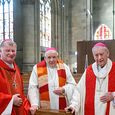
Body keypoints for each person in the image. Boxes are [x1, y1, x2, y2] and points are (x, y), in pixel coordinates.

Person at [65, 42, 115, 115]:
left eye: (101, 54)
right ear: (93, 56)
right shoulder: (89, 71)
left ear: (107, 54)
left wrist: (113, 95)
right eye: (96, 55)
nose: (99, 58)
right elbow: (79, 91)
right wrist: (73, 106)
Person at [28, 47, 77, 115]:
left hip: (61, 107)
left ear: (57, 57)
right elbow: (33, 87)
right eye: (49, 57)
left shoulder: (64, 67)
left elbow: (73, 84)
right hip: (44, 107)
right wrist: (34, 104)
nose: (51, 60)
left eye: (54, 57)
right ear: (45, 58)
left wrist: (64, 89)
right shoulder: (37, 68)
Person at [0, 39, 30, 115]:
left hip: (19, 110)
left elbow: (21, 92)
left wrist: (27, 107)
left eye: (13, 51)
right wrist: (11, 100)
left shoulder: (16, 68)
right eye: (7, 50)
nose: (11, 53)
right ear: (0, 52)